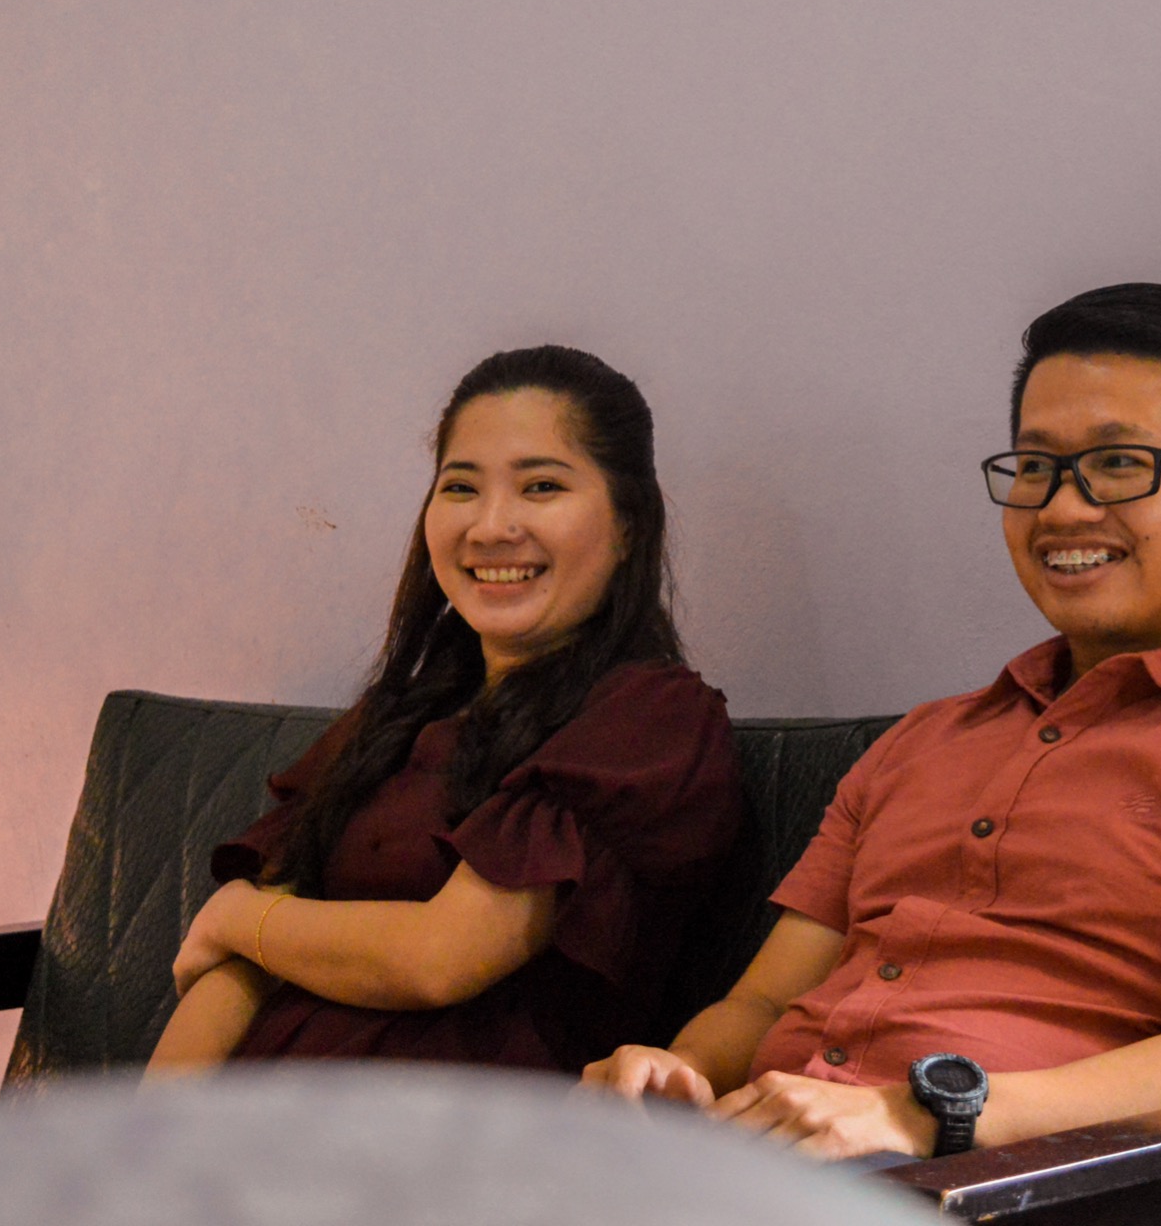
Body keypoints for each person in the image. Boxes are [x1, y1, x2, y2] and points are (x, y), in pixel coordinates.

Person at [583, 283, 1161, 1162]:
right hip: (759, 1162)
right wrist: (679, 1071)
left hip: (1015, 1183)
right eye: (1035, 468)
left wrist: (927, 1113)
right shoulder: (921, 742)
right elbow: (763, 1005)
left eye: (1119, 464)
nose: (1061, 509)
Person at [145, 345, 742, 1077]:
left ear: (628, 525)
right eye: (460, 487)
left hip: (468, 1129)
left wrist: (241, 918)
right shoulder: (398, 715)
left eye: (542, 487)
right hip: (262, 1120)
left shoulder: (652, 719)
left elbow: (441, 958)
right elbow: (235, 971)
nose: (490, 526)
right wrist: (154, 1131)